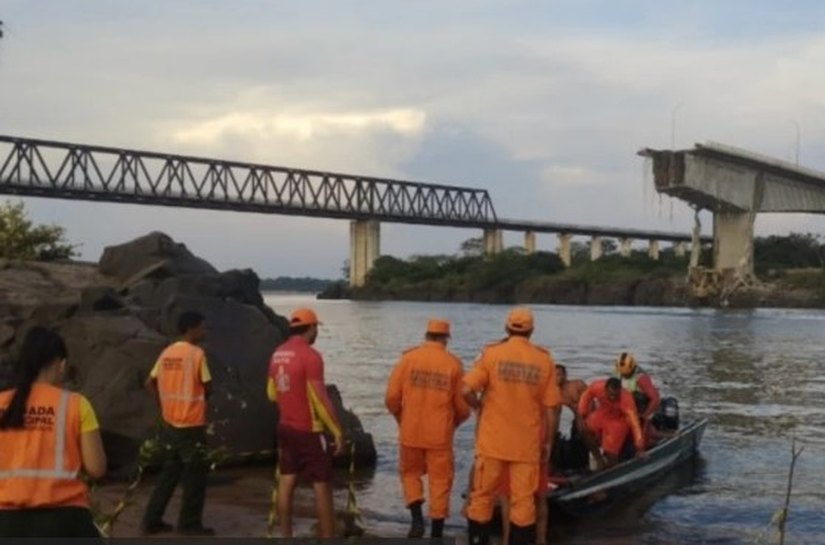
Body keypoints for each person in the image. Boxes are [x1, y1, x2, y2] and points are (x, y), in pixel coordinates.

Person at [462, 307, 561, 545]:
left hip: (492, 442)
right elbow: (551, 408)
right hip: (526, 446)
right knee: (523, 502)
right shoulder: (544, 359)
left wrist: (479, 407)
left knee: (482, 497)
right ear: (532, 331)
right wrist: (547, 442)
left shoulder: (491, 354)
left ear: (507, 328)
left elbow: (466, 390)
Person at [0, 327, 106, 537]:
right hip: (66, 519)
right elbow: (96, 468)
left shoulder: (1, 402)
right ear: (62, 364)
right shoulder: (76, 404)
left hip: (7, 521)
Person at [385, 318, 470, 539]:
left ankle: (416, 521)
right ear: (446, 338)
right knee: (440, 482)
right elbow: (463, 408)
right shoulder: (453, 364)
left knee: (409, 474)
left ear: (426, 335)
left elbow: (391, 398)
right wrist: (453, 425)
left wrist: (402, 419)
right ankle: (437, 533)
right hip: (439, 436)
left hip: (410, 431)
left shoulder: (407, 359)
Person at [267, 307, 344, 538]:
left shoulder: (277, 353)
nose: (316, 332)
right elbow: (320, 398)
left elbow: (271, 393)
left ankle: (286, 537)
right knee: (322, 486)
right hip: (309, 430)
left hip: (285, 427)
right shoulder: (311, 356)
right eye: (316, 328)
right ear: (310, 328)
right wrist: (337, 432)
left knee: (286, 481)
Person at [141, 311, 214, 536]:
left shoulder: (167, 353)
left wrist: (164, 405)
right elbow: (208, 386)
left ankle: (152, 519)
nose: (205, 331)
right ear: (190, 329)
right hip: (191, 424)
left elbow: (148, 383)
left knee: (170, 472)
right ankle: (189, 523)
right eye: (202, 327)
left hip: (170, 422)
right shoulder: (197, 354)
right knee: (195, 476)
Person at [577, 377, 645, 468]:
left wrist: (639, 448)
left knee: (610, 453)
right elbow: (586, 395)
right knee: (583, 429)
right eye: (610, 394)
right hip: (602, 413)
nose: (612, 397)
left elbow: (635, 424)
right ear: (605, 389)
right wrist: (582, 413)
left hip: (618, 420)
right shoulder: (597, 386)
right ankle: (598, 459)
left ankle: (612, 468)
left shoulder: (627, 400)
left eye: (615, 395)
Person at [614, 352, 660, 445]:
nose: (624, 376)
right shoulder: (620, 374)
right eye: (623, 374)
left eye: (626, 374)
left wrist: (644, 416)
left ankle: (660, 436)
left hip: (646, 406)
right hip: (630, 406)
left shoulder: (641, 378)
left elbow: (655, 399)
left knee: (644, 436)